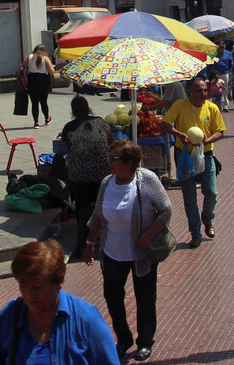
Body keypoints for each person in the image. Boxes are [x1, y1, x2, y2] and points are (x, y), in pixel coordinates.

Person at [85, 140, 171, 362]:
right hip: (112, 253)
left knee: (145, 297)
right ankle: (123, 339)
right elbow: (97, 216)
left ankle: (145, 341)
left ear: (130, 162)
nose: (110, 163)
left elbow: (166, 210)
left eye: (114, 159)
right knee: (112, 296)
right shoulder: (106, 183)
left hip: (142, 254)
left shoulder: (147, 180)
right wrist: (89, 244)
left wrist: (148, 235)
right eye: (110, 158)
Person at [0, 240, 119, 365]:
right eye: (23, 286)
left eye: (37, 287)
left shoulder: (87, 319)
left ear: (59, 282)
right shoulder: (10, 316)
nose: (29, 294)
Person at [160, 77, 225, 248]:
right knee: (189, 197)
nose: (203, 94)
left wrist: (208, 139)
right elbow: (165, 124)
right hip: (185, 157)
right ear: (190, 91)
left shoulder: (212, 108)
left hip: (206, 155)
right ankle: (195, 233)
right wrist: (179, 134)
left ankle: (208, 219)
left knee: (211, 192)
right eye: (199, 90)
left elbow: (220, 132)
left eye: (205, 90)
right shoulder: (180, 105)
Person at [59, 96, 112, 261]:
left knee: (82, 208)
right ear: (88, 108)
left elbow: (66, 146)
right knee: (101, 206)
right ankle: (104, 240)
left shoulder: (68, 127)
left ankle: (82, 241)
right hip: (101, 174)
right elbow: (110, 139)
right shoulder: (100, 122)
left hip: (78, 176)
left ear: (73, 111)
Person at [23, 44, 55, 127]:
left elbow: (23, 66)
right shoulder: (45, 58)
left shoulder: (29, 57)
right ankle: (47, 118)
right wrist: (52, 67)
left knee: (34, 103)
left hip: (32, 80)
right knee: (43, 102)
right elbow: (51, 72)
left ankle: (36, 122)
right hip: (42, 80)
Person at [211, 41, 232, 112]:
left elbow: (231, 63)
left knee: (224, 89)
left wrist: (229, 72)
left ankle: (225, 106)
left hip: (224, 73)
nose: (222, 49)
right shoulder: (214, 53)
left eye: (223, 47)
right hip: (215, 74)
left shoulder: (228, 53)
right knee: (214, 89)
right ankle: (215, 104)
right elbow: (209, 64)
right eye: (220, 47)